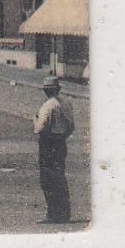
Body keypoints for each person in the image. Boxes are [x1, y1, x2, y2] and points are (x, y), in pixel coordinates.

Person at [33, 76, 75, 222]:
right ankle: (64, 213)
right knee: (60, 178)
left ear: (45, 90)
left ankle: (52, 214)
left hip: (48, 144)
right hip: (61, 142)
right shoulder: (66, 104)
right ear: (59, 89)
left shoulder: (47, 106)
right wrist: (62, 136)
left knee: (47, 180)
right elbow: (71, 126)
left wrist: (35, 120)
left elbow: (40, 128)